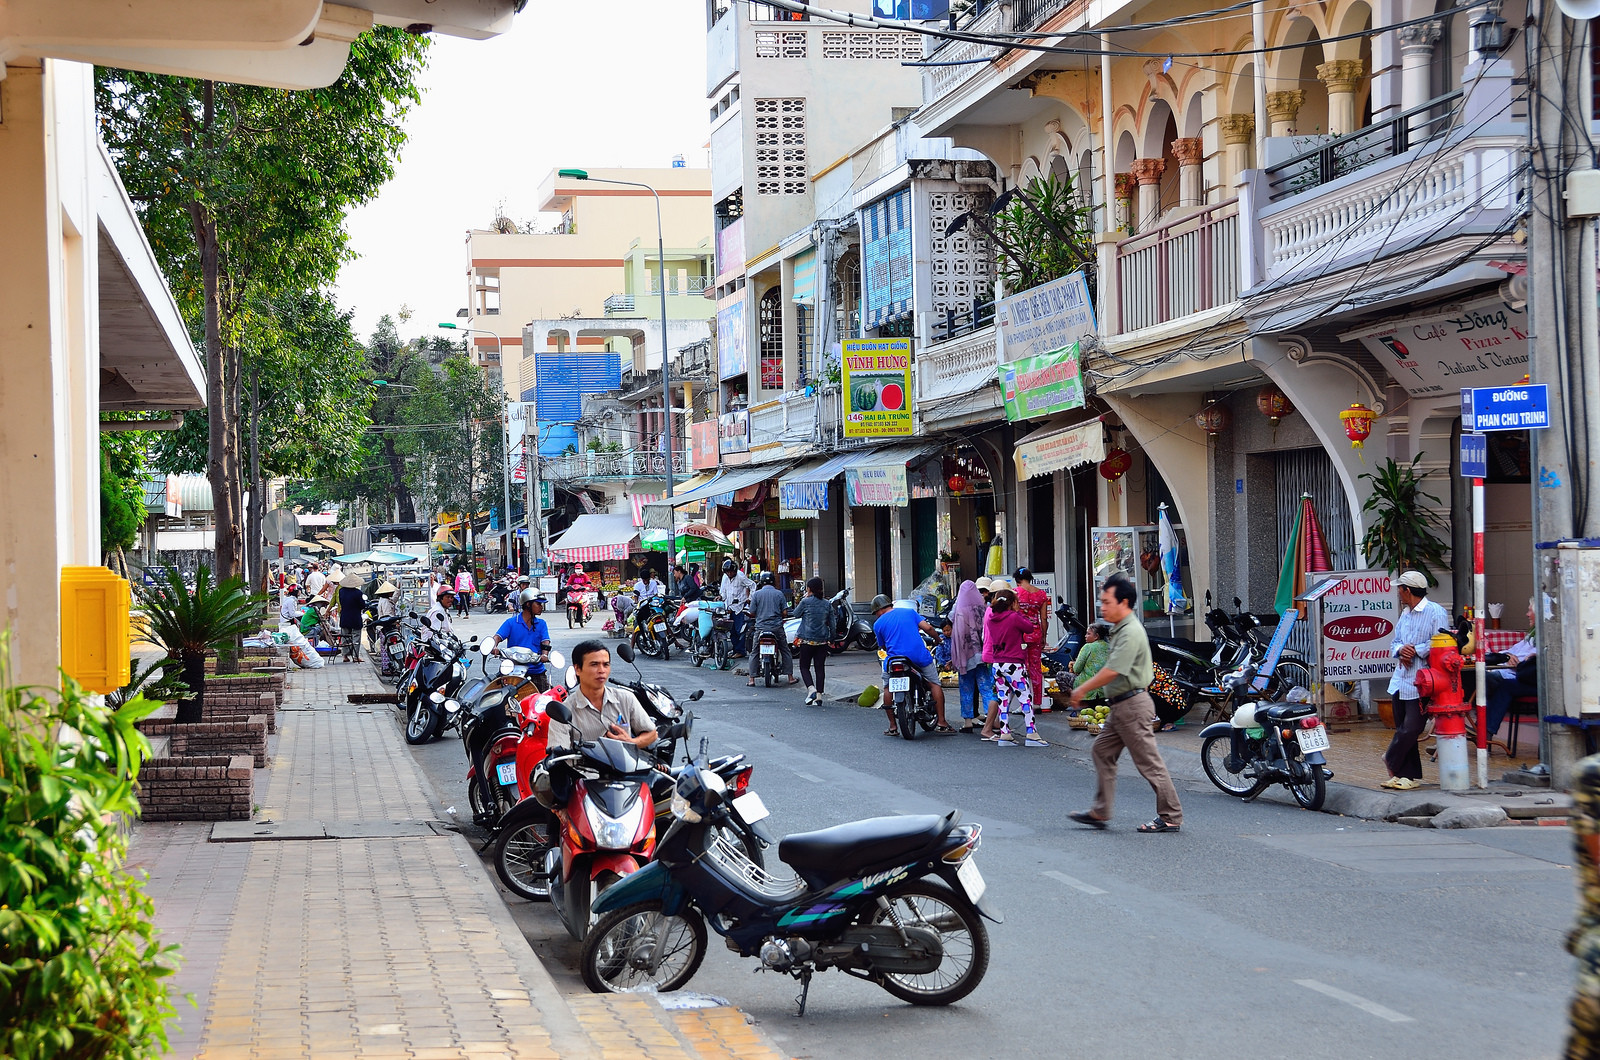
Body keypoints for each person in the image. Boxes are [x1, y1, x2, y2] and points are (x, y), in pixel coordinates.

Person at [1068, 573, 1184, 833]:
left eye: (1107, 602)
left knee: (1149, 763)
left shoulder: (1130, 631)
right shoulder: (1119, 629)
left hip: (1132, 706)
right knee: (1102, 751)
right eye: (1102, 602)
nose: (1103, 607)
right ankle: (1101, 811)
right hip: (1121, 706)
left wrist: (1081, 690)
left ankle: (1171, 816)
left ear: (1123, 602)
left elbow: (1114, 670)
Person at [1382, 570, 1451, 789]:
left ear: (1407, 590)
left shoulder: (1435, 612)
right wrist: (1402, 649)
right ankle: (1405, 775)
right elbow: (1395, 642)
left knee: (1412, 727)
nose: (1399, 593)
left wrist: (1416, 650)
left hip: (1423, 680)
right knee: (1402, 725)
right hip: (1401, 678)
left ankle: (1391, 757)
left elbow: (1442, 641)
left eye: (1400, 589)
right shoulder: (1405, 613)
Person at [545, 640, 658, 752]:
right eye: (594, 664)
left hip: (626, 768)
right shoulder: (564, 713)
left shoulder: (626, 698)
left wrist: (631, 743)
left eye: (606, 664)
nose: (601, 670)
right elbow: (558, 752)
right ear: (577, 669)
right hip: (585, 770)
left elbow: (651, 734)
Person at [871, 595, 952, 736]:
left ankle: (892, 726)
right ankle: (942, 722)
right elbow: (928, 628)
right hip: (918, 656)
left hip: (895, 660)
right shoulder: (908, 612)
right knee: (934, 684)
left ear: (878, 610)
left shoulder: (878, 624)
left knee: (887, 687)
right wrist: (938, 640)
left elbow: (882, 646)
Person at [980, 586, 1043, 746]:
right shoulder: (1014, 617)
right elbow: (1029, 627)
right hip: (1014, 663)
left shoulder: (992, 617)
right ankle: (1032, 734)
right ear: (1013, 603)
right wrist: (1017, 611)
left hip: (997, 663)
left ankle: (1005, 734)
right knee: (1025, 698)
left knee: (1003, 698)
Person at [1483, 598, 1539, 744]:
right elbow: (1509, 651)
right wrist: (1508, 656)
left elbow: (1529, 661)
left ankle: (1484, 729)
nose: (1527, 614)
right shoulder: (1531, 635)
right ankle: (1484, 729)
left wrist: (1523, 659)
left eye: (1529, 611)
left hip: (1533, 680)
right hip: (1516, 675)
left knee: (1495, 683)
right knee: (1489, 682)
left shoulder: (1544, 637)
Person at [484, 589, 555, 692]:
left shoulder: (542, 623)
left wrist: (544, 655)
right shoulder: (511, 623)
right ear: (528, 605)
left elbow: (545, 642)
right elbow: (497, 637)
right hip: (514, 670)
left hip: (536, 670)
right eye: (538, 604)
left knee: (542, 702)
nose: (541, 607)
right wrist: (494, 646)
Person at [950, 579, 994, 734]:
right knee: (986, 687)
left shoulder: (958, 609)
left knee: (966, 688)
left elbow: (950, 620)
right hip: (982, 654)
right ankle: (993, 720)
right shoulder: (983, 608)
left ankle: (968, 722)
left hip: (964, 656)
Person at [748, 572, 798, 686]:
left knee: (754, 652)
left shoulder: (756, 595)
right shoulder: (779, 594)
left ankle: (751, 679)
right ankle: (790, 677)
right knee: (785, 650)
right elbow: (785, 612)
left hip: (760, 628)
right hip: (776, 628)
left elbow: (752, 612)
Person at [1014, 567, 1051, 712]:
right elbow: (1043, 618)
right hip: (1035, 634)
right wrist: (1044, 636)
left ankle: (1024, 703)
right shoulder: (1041, 594)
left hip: (1019, 635)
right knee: (1036, 668)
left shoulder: (1015, 593)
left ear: (1018, 580)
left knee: (1021, 669)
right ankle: (1037, 703)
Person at [793, 576, 833, 705]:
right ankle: (819, 696)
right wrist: (831, 638)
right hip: (822, 641)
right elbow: (833, 623)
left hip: (806, 640)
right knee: (819, 668)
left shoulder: (806, 602)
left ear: (809, 589)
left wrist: (803, 599)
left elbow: (796, 614)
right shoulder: (827, 604)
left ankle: (811, 689)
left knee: (804, 666)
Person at [1070, 622, 1113, 705]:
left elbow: (1076, 669)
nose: (1085, 636)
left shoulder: (1088, 647)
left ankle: (1077, 699)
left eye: (1088, 634)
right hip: (1107, 688)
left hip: (1089, 687)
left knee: (1061, 676)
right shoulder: (1110, 646)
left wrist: (1073, 664)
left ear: (1096, 636)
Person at [721, 559, 755, 657]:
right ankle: (736, 650)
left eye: (731, 571)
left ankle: (740, 651)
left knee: (739, 629)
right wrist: (721, 597)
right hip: (729, 607)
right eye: (727, 572)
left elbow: (752, 585)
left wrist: (750, 598)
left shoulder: (740, 576)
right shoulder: (725, 577)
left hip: (740, 606)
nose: (729, 573)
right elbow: (724, 591)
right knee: (731, 630)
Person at [336, 574, 366, 662]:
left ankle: (345, 656)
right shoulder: (358, 593)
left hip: (344, 616)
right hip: (355, 617)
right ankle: (355, 656)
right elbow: (362, 605)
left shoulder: (341, 591)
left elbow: (341, 602)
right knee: (356, 637)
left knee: (345, 637)